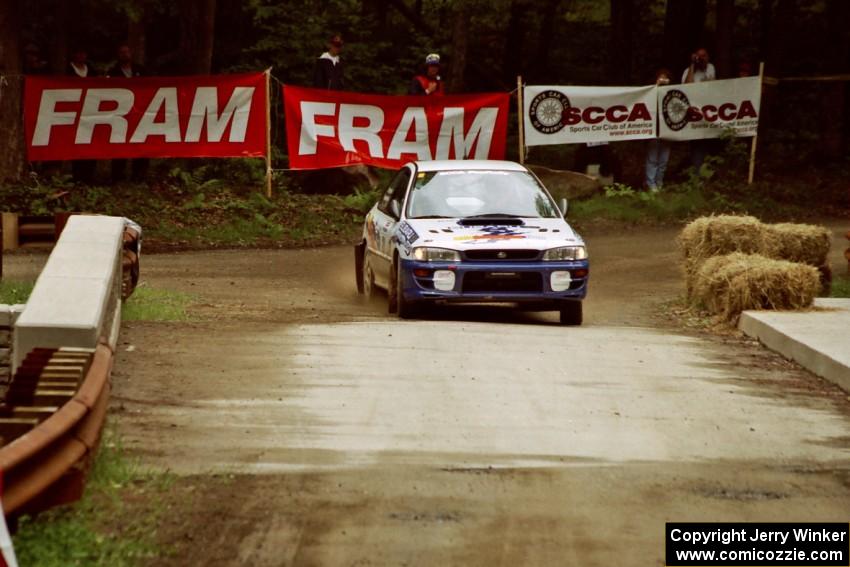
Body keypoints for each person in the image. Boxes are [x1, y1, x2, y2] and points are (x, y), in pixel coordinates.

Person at [108, 44, 147, 182]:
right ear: (118, 55)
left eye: (127, 52)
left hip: (139, 113)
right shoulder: (113, 72)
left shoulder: (141, 70)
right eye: (122, 52)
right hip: (120, 114)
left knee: (140, 143)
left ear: (131, 53)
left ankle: (139, 175)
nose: (125, 55)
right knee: (119, 144)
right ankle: (117, 176)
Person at [682, 48, 715, 170]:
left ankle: (702, 170)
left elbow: (711, 82)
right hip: (694, 111)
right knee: (695, 142)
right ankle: (696, 172)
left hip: (708, 110)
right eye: (699, 56)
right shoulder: (688, 71)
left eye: (704, 56)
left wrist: (702, 63)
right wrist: (692, 65)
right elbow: (686, 87)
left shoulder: (711, 67)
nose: (701, 58)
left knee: (706, 142)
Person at [68, 47, 98, 184]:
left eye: (83, 53)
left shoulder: (92, 70)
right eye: (78, 52)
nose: (81, 55)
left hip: (91, 111)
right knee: (76, 143)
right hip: (73, 111)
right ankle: (77, 176)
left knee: (91, 143)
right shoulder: (67, 70)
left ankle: (90, 176)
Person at [645, 68, 672, 192]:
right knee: (653, 159)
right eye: (661, 78)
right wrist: (657, 85)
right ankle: (651, 184)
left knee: (663, 160)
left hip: (667, 130)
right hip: (654, 129)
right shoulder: (650, 93)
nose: (663, 81)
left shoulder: (671, 93)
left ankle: (659, 182)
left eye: (665, 78)